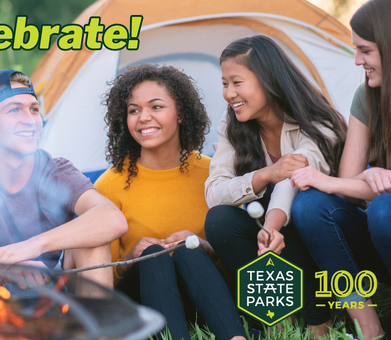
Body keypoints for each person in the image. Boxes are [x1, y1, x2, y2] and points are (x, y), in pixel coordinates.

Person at [0, 69, 127, 293]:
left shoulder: (56, 171)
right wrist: (7, 264)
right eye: (14, 110)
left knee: (92, 242)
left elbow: (112, 219)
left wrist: (31, 246)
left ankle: (99, 326)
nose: (30, 120)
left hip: (54, 294)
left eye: (34, 110)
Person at [203, 35, 348, 337]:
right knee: (220, 220)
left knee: (302, 205)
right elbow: (214, 192)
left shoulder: (315, 119)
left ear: (268, 79)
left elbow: (295, 177)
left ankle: (320, 322)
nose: (229, 94)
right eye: (224, 83)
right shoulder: (232, 123)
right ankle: (279, 318)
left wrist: (272, 225)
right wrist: (265, 174)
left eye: (237, 82)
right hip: (279, 225)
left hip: (325, 232)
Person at [96, 64, 246, 340]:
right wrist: (131, 259)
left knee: (189, 251)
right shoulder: (108, 185)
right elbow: (103, 277)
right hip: (141, 307)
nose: (143, 118)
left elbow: (237, 259)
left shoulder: (214, 174)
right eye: (133, 110)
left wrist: (206, 249)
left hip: (206, 300)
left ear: (181, 115)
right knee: (154, 256)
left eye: (156, 107)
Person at [290, 1, 391, 338]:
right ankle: (369, 326)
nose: (358, 61)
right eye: (355, 50)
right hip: (378, 237)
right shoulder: (367, 97)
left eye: (365, 50)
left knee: (384, 210)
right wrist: (363, 178)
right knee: (309, 205)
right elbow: (347, 184)